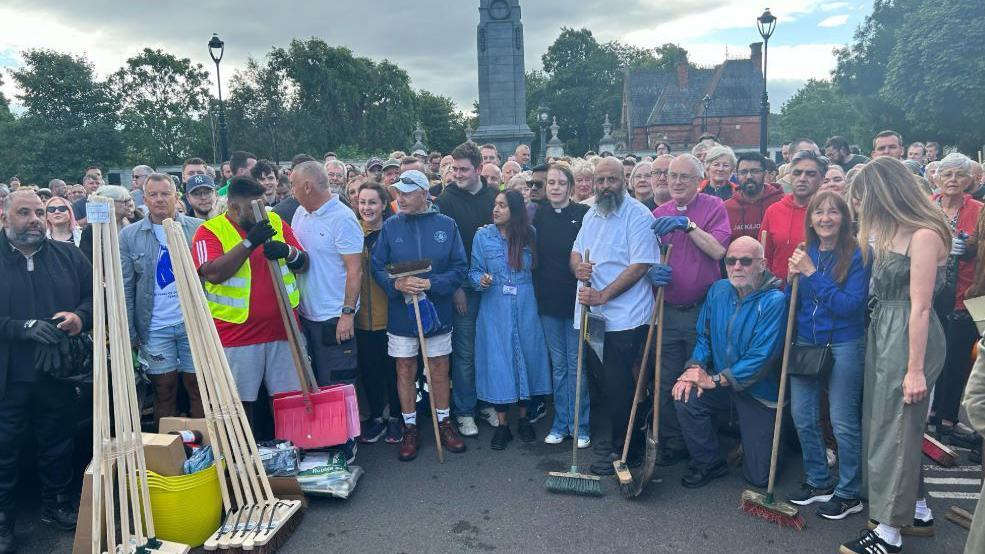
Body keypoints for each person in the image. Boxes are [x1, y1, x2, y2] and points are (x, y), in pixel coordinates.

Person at [839, 157, 950, 554]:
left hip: (908, 333)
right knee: (889, 426)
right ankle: (917, 510)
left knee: (897, 430)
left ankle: (889, 533)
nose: (859, 207)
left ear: (884, 193)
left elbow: (920, 307)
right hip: (885, 329)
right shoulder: (888, 230)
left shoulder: (923, 235)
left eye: (863, 198)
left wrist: (915, 370)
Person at [0, 190, 93, 547]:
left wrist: (79, 317)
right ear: (6, 218)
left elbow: (91, 296)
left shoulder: (67, 256)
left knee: (58, 439)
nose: (35, 219)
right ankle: (4, 516)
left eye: (39, 212)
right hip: (10, 374)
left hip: (57, 369)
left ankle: (56, 502)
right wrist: (18, 327)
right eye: (25, 213)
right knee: (5, 446)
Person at [784, 191, 871, 519]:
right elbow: (796, 301)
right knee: (802, 415)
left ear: (844, 217)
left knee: (842, 419)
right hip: (807, 341)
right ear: (811, 219)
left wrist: (811, 274)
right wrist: (790, 281)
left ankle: (849, 492)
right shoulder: (806, 251)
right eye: (818, 212)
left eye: (832, 212)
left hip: (844, 342)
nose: (825, 218)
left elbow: (851, 306)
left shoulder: (858, 253)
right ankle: (819, 480)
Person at [673, 236, 786, 489]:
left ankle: (775, 437)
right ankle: (710, 463)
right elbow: (704, 335)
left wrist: (714, 380)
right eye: (731, 260)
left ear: (762, 264)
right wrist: (696, 367)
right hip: (722, 384)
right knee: (685, 395)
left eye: (746, 261)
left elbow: (760, 358)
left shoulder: (774, 301)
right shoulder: (718, 290)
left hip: (758, 391)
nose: (737, 267)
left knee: (760, 478)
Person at [192, 176, 308, 421]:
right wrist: (249, 242)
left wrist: (287, 251)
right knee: (239, 405)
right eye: (252, 209)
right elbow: (213, 273)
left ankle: (290, 451)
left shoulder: (274, 220)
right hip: (237, 334)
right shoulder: (209, 231)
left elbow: (303, 262)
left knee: (289, 400)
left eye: (263, 206)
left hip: (283, 328)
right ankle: (246, 457)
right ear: (234, 207)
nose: (260, 214)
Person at [570, 157, 659, 475]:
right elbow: (576, 251)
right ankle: (617, 440)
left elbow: (640, 266)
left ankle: (628, 450)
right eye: (601, 180)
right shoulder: (592, 213)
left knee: (622, 385)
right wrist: (577, 267)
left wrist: (604, 295)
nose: (605, 186)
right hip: (593, 316)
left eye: (612, 180)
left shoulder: (638, 215)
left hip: (626, 317)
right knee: (605, 383)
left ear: (625, 181)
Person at [371, 170, 468, 461]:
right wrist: (395, 284)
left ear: (424, 194)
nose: (399, 198)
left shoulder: (447, 225)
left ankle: (444, 422)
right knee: (405, 369)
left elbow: (460, 268)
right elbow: (376, 267)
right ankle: (410, 426)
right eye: (397, 192)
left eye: (406, 193)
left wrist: (431, 284)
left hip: (436, 311)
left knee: (439, 368)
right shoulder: (390, 227)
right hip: (402, 312)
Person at [650, 153, 731, 466]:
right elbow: (649, 255)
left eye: (685, 176)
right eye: (672, 176)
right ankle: (674, 442)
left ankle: (705, 449)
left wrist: (688, 226)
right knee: (665, 379)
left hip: (702, 311)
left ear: (700, 180)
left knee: (698, 379)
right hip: (668, 309)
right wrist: (651, 273)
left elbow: (718, 249)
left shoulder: (713, 207)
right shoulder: (659, 212)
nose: (677, 182)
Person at [120, 173, 205, 426]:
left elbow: (209, 277)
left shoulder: (196, 228)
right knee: (163, 388)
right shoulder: (129, 236)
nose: (159, 200)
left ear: (176, 197)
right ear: (143, 199)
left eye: (165, 194)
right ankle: (167, 451)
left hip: (193, 324)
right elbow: (126, 286)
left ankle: (206, 448)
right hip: (155, 326)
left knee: (198, 386)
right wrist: (130, 330)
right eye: (153, 195)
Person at [470, 190, 551, 449]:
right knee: (498, 362)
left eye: (502, 206)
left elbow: (539, 269)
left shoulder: (530, 235)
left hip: (526, 305)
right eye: (495, 205)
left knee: (526, 358)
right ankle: (503, 424)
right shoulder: (482, 236)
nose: (495, 210)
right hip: (495, 307)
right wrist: (480, 281)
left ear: (514, 211)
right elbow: (472, 271)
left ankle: (524, 419)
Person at [434, 142, 499, 436]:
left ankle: (487, 402)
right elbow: (445, 251)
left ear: (478, 169)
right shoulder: (446, 200)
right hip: (463, 288)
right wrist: (457, 288)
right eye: (453, 169)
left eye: (463, 169)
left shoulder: (495, 198)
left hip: (494, 285)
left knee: (490, 348)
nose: (456, 175)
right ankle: (464, 410)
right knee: (465, 352)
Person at [290, 161, 364, 390]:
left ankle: (348, 428)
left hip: (334, 319)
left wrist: (347, 314)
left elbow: (355, 270)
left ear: (308, 186)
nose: (291, 190)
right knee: (315, 386)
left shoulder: (343, 218)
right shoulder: (300, 213)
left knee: (338, 385)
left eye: (294, 185)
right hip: (307, 316)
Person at [533, 163, 591, 446]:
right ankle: (560, 423)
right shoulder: (538, 215)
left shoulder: (583, 214)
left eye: (560, 182)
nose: (555, 187)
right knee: (558, 366)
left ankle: (581, 425)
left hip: (576, 300)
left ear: (570, 186)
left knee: (576, 365)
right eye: (551, 183)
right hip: (548, 301)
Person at [930, 153, 983, 436]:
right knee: (932, 354)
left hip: (968, 293)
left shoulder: (979, 209)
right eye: (946, 173)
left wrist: (971, 249)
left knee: (957, 356)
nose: (952, 180)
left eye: (959, 175)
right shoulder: (926, 206)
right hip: (930, 290)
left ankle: (948, 417)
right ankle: (931, 412)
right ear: (936, 177)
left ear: (969, 180)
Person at [354, 181, 402, 444]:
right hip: (361, 317)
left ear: (384, 205)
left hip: (389, 314)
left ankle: (395, 417)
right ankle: (375, 418)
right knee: (369, 369)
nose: (367, 207)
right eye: (362, 202)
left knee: (392, 370)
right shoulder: (352, 232)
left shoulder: (393, 232)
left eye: (372, 202)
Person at [761, 150, 826, 282]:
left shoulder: (830, 214)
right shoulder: (773, 211)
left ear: (822, 180)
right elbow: (764, 258)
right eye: (797, 173)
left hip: (819, 294)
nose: (802, 178)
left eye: (810, 174)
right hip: (780, 292)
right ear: (790, 177)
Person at [724, 152, 784, 242]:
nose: (749, 176)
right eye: (743, 172)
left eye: (755, 171)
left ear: (765, 174)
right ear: (736, 175)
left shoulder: (781, 202)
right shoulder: (726, 208)